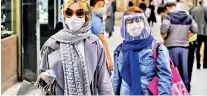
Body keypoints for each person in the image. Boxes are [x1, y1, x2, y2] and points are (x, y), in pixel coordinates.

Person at [39, 0, 114, 95]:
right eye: (69, 13)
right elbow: (41, 75)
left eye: (79, 13)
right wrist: (45, 76)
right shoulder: (52, 43)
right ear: (64, 16)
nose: (74, 17)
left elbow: (104, 82)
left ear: (86, 17)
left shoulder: (95, 43)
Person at [113, 6, 172, 95]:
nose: (134, 25)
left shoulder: (157, 49)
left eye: (138, 20)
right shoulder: (120, 50)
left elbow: (164, 79)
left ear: (144, 22)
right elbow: (116, 80)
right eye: (130, 22)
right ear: (124, 26)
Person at [161, 2, 198, 91]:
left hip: (171, 47)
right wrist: (186, 36)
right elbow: (195, 29)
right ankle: (185, 91)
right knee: (184, 72)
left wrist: (165, 36)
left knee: (173, 71)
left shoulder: (168, 16)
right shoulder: (187, 16)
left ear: (169, 8)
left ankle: (174, 91)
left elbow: (164, 29)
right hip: (184, 48)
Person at [90, 0, 114, 71]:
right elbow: (103, 41)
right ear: (92, 8)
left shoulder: (90, 18)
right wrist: (109, 60)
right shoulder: (96, 21)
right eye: (99, 6)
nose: (102, 8)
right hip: (96, 55)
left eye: (103, 6)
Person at [192, 1, 207, 69]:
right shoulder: (205, 9)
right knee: (206, 49)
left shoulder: (194, 9)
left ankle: (198, 64)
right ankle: (205, 64)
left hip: (197, 31)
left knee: (198, 48)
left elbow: (192, 20)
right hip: (205, 31)